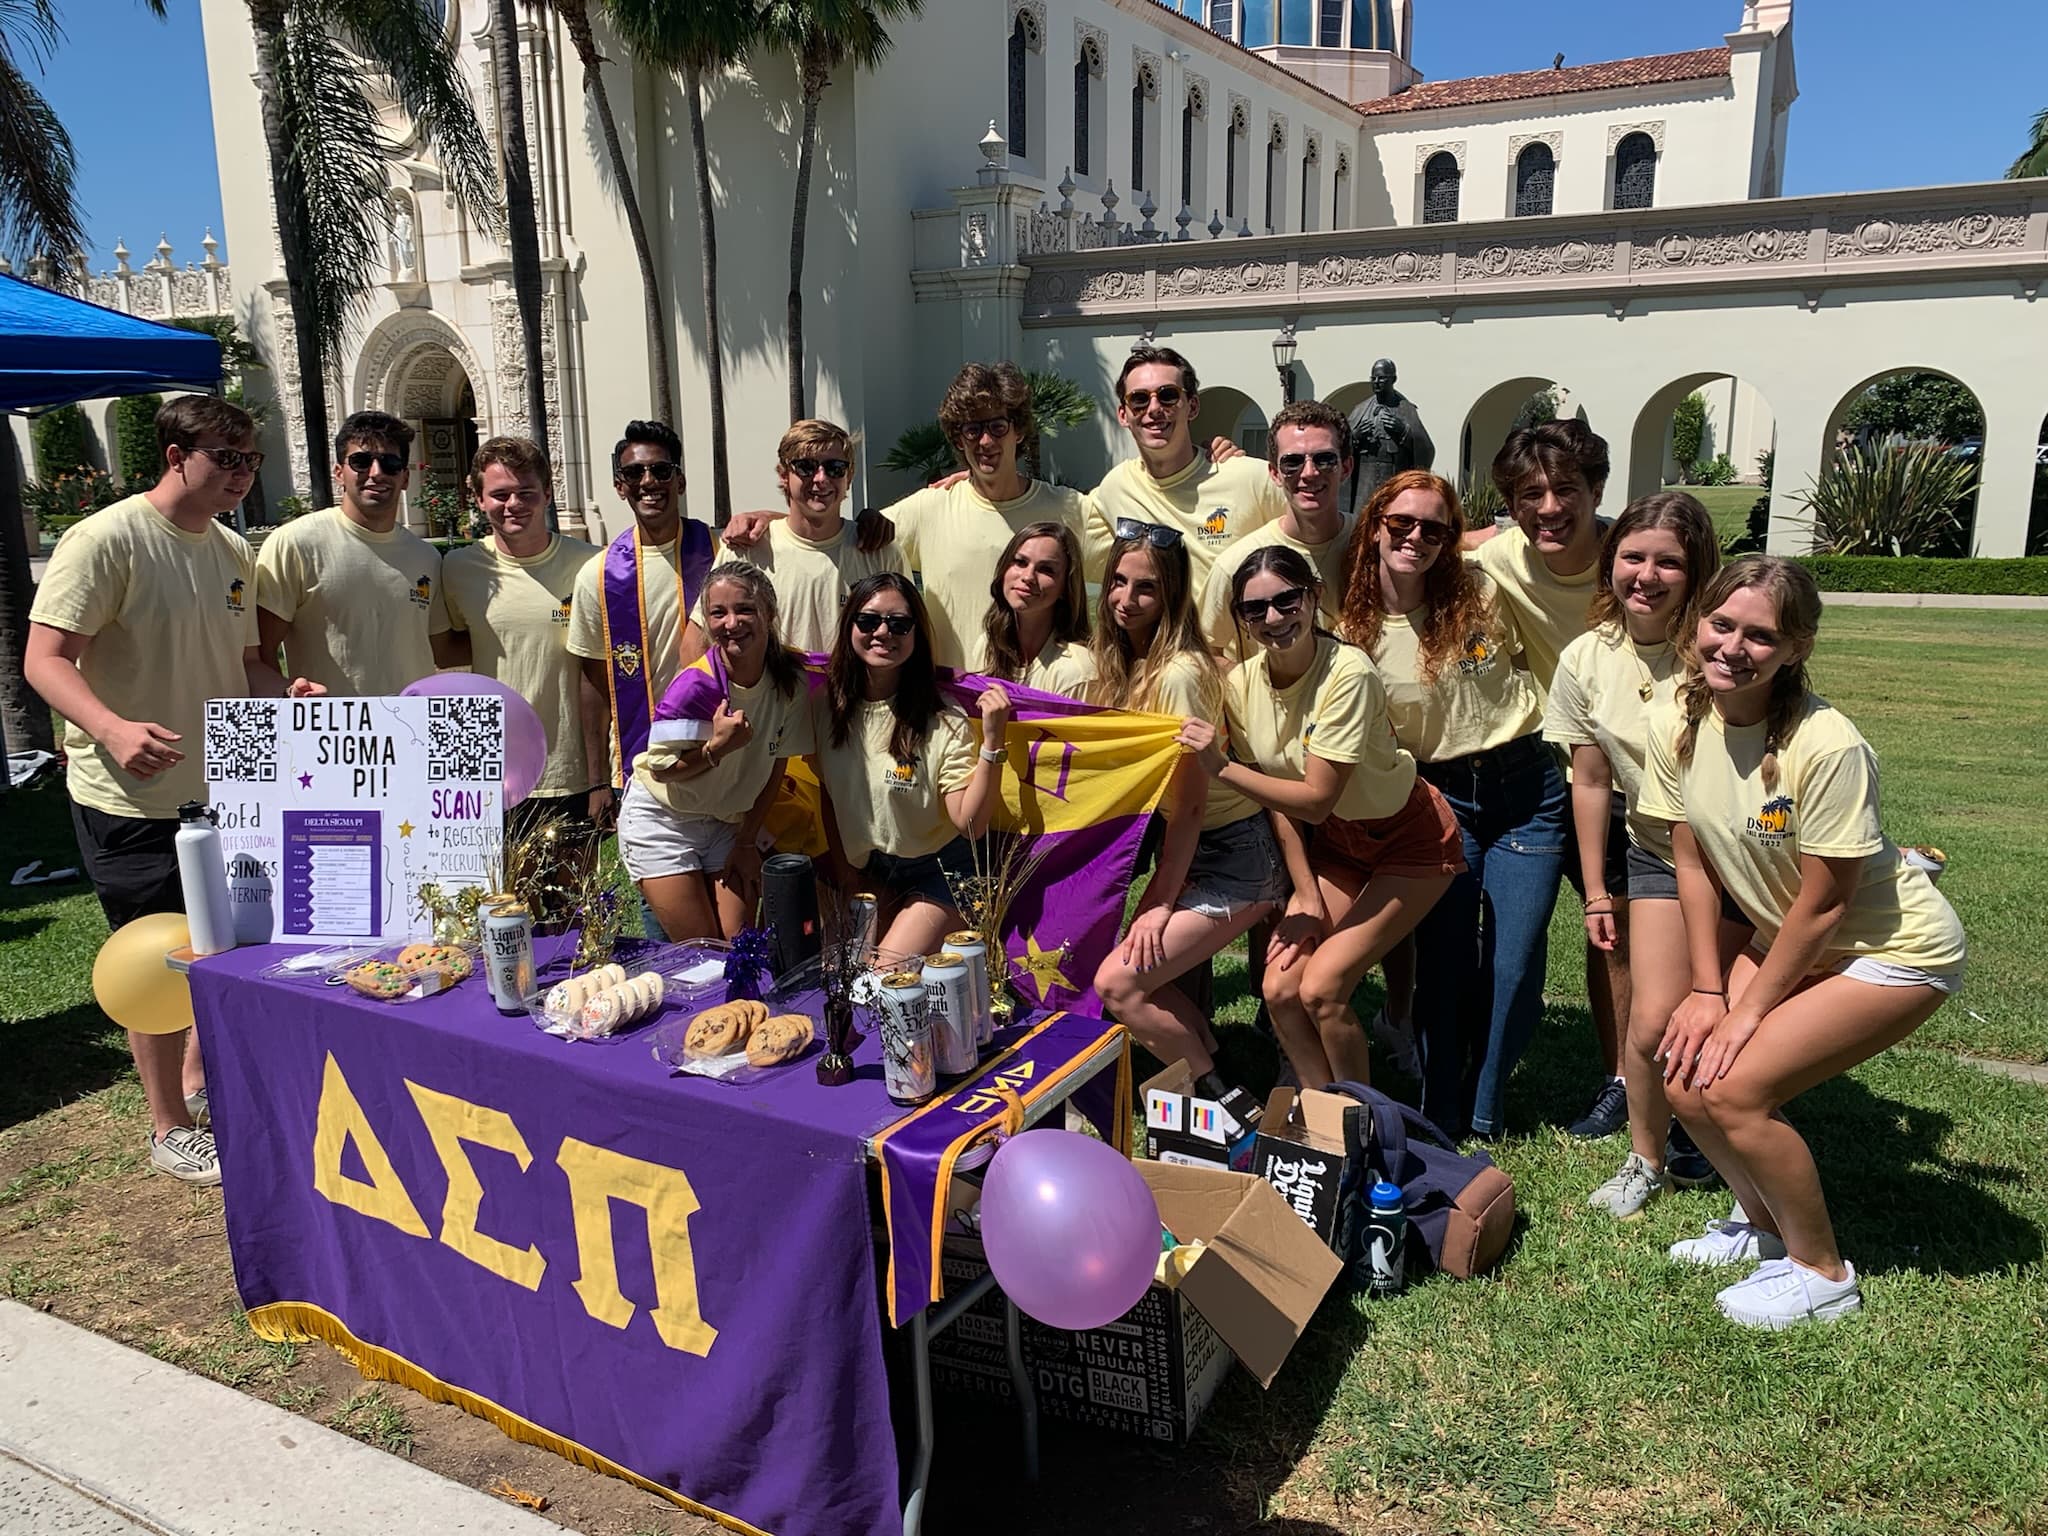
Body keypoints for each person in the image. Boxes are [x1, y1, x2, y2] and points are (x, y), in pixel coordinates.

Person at [1642, 556, 1965, 1327]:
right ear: (1698, 624)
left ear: (1796, 648)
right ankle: (1760, 1228)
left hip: (1894, 949)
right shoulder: (1675, 721)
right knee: (1684, 1073)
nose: (1732, 647)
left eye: (1761, 636)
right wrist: (1707, 988)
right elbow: (1691, 862)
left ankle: (1822, 1272)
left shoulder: (1830, 744)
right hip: (1789, 935)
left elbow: (1825, 906)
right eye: (1721, 625)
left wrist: (1747, 1013)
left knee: (1736, 1087)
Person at [25, 396, 320, 1186]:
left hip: (228, 790)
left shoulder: (231, 550)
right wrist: (114, 728)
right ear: (174, 454)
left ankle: (201, 1080)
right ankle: (168, 1124)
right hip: (130, 797)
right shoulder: (105, 539)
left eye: (250, 459)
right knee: (155, 957)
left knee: (221, 945)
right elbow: (45, 659)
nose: (241, 474)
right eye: (226, 457)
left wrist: (281, 692)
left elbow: (248, 659)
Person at [1181, 545, 1461, 1089]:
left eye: (1287, 601)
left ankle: (1362, 1121)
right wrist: (1305, 892)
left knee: (1323, 989)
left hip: (1411, 840)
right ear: (1239, 618)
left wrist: (1221, 768)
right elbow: (1280, 800)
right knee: (1280, 988)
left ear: (1311, 598)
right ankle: (1319, 1107)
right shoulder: (1241, 686)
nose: (1274, 619)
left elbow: (1314, 798)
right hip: (1339, 844)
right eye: (1254, 610)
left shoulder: (1347, 674)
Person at [1338, 470, 1563, 1139]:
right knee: (1445, 956)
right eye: (1401, 524)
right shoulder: (1352, 626)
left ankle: (1483, 1103)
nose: (1416, 538)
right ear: (1376, 524)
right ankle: (1443, 1109)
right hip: (1441, 797)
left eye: (1434, 528)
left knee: (1515, 962)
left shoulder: (1483, 591)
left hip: (1529, 787)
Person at [1543, 494, 1733, 1215]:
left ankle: (1715, 1132)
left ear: (1696, 571)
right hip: (1653, 848)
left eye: (1669, 562)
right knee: (1653, 1020)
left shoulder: (1719, 646)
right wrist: (1596, 891)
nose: (1646, 575)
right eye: (1633, 556)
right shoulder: (1587, 657)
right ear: (1610, 560)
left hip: (1738, 854)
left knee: (1727, 1005)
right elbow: (1589, 781)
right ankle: (1646, 1158)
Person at [1090, 520, 1283, 1137]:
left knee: (1119, 985)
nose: (1126, 599)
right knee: (1139, 976)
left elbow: (1194, 805)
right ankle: (1219, 1079)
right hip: (1197, 846)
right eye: (1118, 582)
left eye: (1145, 589)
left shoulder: (1175, 673)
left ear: (1172, 597)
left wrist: (1159, 901)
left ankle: (1224, 1103)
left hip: (1234, 854)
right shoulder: (1133, 658)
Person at [1476, 419, 1631, 1139]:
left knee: (1623, 936)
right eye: (1528, 493)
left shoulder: (1631, 560)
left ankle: (1626, 1079)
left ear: (1597, 490)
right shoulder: (1500, 558)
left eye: (1565, 489)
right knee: (1525, 934)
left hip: (1643, 781)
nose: (1547, 507)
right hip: (1549, 780)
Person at [724, 365, 1083, 669]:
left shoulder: (1068, 509)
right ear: (958, 440)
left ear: (1018, 430)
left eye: (997, 427)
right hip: (952, 702)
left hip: (1038, 696)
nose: (985, 441)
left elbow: (1129, 568)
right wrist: (769, 519)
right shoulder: (930, 506)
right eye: (972, 430)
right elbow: (827, 524)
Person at [812, 573, 1012, 958]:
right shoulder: (826, 706)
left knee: (882, 982)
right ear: (849, 625)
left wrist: (992, 743)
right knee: (839, 973)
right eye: (868, 621)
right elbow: (828, 792)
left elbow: (970, 825)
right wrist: (845, 871)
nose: (883, 633)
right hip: (873, 867)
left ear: (917, 635)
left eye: (899, 624)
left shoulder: (943, 716)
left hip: (943, 872)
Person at [618, 564, 813, 940]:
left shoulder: (790, 681)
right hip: (664, 820)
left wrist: (746, 840)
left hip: (726, 822)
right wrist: (716, 749)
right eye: (718, 613)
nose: (731, 622)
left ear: (769, 614)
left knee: (741, 946)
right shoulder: (695, 685)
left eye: (745, 609)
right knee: (703, 950)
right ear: (706, 621)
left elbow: (776, 767)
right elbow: (662, 770)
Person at [440, 437, 608, 841]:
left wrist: (600, 776)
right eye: (499, 494)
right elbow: (447, 650)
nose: (513, 504)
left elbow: (601, 669)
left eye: (526, 493)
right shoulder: (458, 569)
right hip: (493, 771)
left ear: (547, 494)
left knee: (571, 903)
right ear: (479, 499)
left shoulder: (591, 564)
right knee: (502, 902)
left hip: (571, 770)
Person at [254, 410, 450, 695]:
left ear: (405, 477)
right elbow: (261, 651)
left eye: (391, 463)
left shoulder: (426, 557)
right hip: (329, 731)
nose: (376, 473)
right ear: (338, 473)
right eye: (360, 461)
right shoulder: (295, 543)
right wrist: (285, 699)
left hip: (409, 729)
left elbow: (441, 647)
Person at [568, 420, 715, 788]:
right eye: (634, 473)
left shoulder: (720, 552)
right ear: (620, 486)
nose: (648, 482)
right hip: (642, 760)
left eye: (661, 471)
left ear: (680, 481)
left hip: (718, 751)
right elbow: (595, 685)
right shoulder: (598, 575)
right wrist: (598, 780)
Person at [1083, 345, 1285, 593]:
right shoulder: (1115, 487)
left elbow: (1319, 537)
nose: (1154, 408)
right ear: (1123, 415)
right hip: (1163, 633)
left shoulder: (1251, 478)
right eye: (1139, 399)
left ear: (1193, 406)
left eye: (1168, 395)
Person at [716, 419, 902, 654]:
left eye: (835, 468)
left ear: (849, 476)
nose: (821, 478)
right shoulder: (743, 550)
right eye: (806, 467)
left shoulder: (882, 551)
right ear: (784, 475)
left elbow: (906, 638)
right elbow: (700, 640)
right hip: (774, 691)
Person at [1197, 399, 1357, 661]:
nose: (1309, 473)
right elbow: (1206, 653)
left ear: (1346, 467)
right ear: (1274, 473)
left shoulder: (1375, 545)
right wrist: (1248, 689)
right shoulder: (1236, 564)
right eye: (1292, 462)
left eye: (1325, 459)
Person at [970, 520, 1096, 695]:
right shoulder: (987, 646)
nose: (1028, 576)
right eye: (1020, 562)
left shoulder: (1077, 672)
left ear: (1066, 588)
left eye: (1046, 569)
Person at [1344, 358, 1436, 515]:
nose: (1377, 382)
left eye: (1381, 378)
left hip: (1394, 475)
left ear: (1393, 379)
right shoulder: (1360, 410)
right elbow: (1341, 446)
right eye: (1373, 378)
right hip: (1364, 479)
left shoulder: (1406, 409)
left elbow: (1426, 449)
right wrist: (1356, 437)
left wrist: (1403, 431)